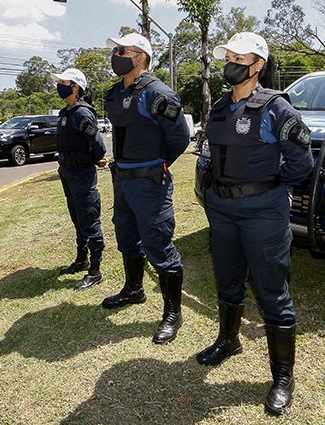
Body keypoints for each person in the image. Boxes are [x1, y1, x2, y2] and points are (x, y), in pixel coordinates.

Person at [195, 32, 314, 415]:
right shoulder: (218, 108)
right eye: (227, 55)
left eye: (238, 57)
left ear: (258, 65)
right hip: (223, 210)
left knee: (271, 292)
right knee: (227, 280)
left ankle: (282, 376)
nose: (230, 62)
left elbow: (301, 163)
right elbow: (209, 155)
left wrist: (269, 187)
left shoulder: (277, 108)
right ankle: (229, 340)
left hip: (263, 212)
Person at [102, 33, 190, 345]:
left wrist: (156, 165)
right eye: (116, 49)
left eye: (122, 50)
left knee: (158, 243)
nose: (116, 54)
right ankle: (133, 289)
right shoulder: (113, 94)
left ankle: (172, 312)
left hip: (149, 182)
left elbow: (180, 138)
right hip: (122, 179)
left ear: (140, 57)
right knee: (126, 236)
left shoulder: (157, 93)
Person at [52, 68, 107, 291]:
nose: (60, 86)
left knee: (89, 218)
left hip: (82, 174)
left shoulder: (82, 113)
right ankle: (81, 260)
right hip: (67, 172)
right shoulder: (67, 112)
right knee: (77, 217)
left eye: (64, 82)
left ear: (75, 87)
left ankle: (95, 270)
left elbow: (98, 144)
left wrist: (96, 159)